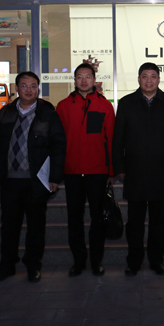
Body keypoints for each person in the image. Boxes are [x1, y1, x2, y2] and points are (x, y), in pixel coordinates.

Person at [0, 71, 66, 283]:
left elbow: (58, 146)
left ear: (38, 89)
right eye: (24, 85)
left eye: (33, 86)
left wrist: (55, 177)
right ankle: (7, 266)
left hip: (36, 180)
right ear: (16, 88)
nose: (29, 90)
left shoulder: (48, 113)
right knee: (9, 227)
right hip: (10, 180)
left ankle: (33, 266)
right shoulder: (5, 112)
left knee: (35, 227)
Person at [112, 62, 164, 276]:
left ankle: (156, 261)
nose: (149, 80)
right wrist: (119, 167)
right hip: (134, 171)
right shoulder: (126, 103)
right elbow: (118, 139)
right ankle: (134, 261)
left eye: (153, 76)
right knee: (135, 221)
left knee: (158, 221)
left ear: (159, 79)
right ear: (138, 79)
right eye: (145, 76)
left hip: (162, 171)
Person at [56, 63, 115, 277]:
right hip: (72, 171)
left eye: (88, 76)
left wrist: (111, 171)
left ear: (94, 79)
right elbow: (58, 141)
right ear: (74, 80)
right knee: (74, 219)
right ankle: (78, 261)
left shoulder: (105, 106)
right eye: (79, 77)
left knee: (97, 219)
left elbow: (111, 140)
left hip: (97, 172)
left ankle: (96, 261)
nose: (83, 80)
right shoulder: (63, 106)